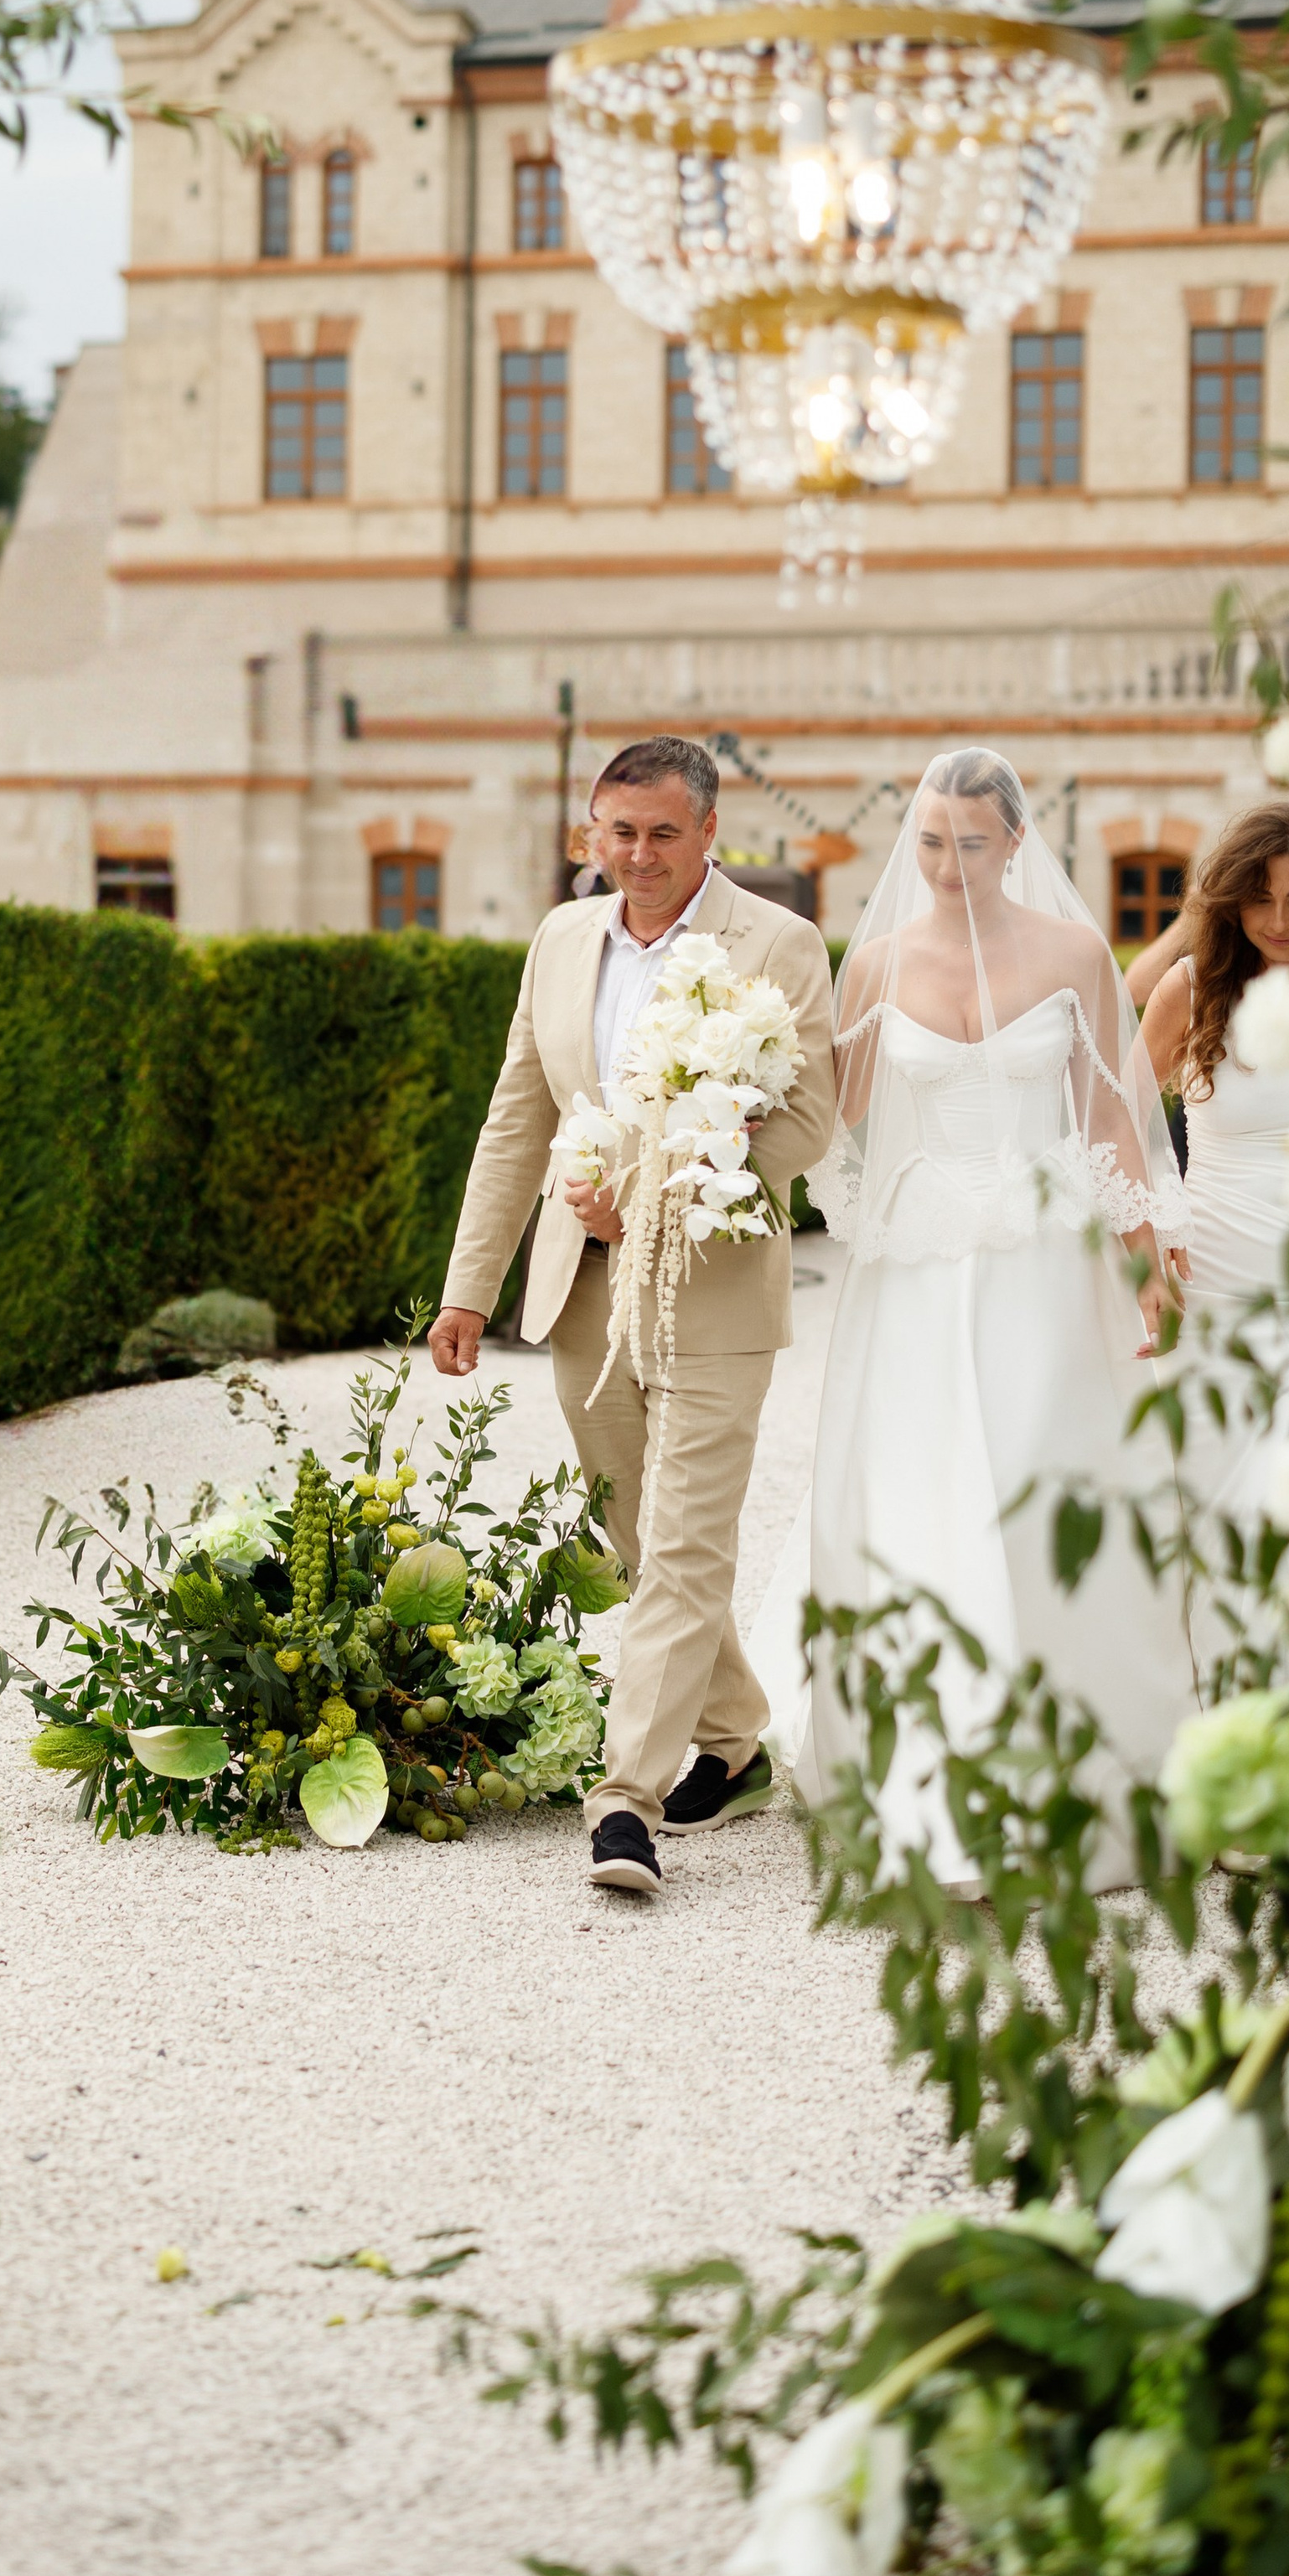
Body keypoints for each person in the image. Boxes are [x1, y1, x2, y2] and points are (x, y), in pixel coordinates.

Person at [745, 748, 1193, 1889]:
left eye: (973, 844)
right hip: (916, 1266)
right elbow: (831, 1113)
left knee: (1041, 1475)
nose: (949, 865)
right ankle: (926, 1775)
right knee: (920, 1486)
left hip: (1045, 1260)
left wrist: (1146, 1260)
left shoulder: (1075, 954)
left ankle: (1068, 1766)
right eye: (933, 844)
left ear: (1016, 843)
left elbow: (1108, 1116)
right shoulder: (876, 963)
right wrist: (727, 1093)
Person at [428, 735, 837, 1897]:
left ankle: (625, 1804)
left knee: (689, 1539)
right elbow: (519, 1116)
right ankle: (736, 1741)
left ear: (709, 831)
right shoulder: (561, 939)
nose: (641, 854)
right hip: (582, 1286)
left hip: (715, 1281)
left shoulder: (780, 944)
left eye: (664, 832)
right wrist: (469, 1287)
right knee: (637, 1539)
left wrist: (657, 1185)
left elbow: (807, 1125)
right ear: (590, 833)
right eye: (621, 832)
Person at [1136, 801, 1289, 1310]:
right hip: (1208, 1272)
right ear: (1233, 902)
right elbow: (1116, 1118)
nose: (1280, 922)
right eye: (1260, 899)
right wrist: (1153, 1223)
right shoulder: (1191, 988)